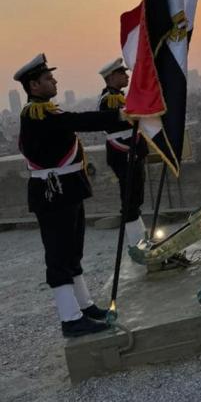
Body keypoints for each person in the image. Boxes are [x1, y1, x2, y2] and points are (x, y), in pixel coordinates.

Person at [15, 53, 131, 337]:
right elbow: (79, 121)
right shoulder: (38, 114)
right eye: (47, 78)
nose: (54, 80)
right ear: (33, 86)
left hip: (66, 189)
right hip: (53, 193)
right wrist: (121, 114)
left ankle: (84, 306)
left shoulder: (46, 111)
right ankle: (70, 319)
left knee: (72, 252)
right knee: (58, 256)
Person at [97, 58, 148, 247]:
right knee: (130, 199)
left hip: (131, 153)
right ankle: (136, 241)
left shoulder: (118, 96)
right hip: (124, 154)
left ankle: (140, 237)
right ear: (111, 77)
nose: (126, 76)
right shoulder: (110, 100)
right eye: (122, 74)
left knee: (136, 197)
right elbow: (121, 124)